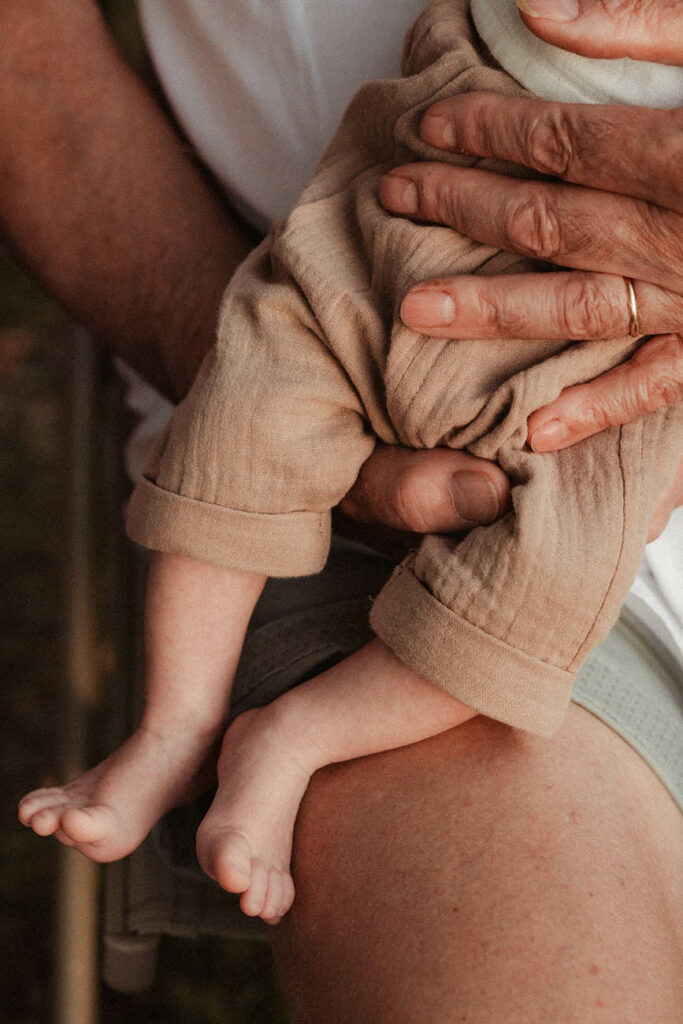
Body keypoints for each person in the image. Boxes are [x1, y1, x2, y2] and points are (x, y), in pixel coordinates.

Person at [5, 0, 681, 1017]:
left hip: (603, 403)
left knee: (548, 572)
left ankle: (296, 734)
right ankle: (177, 728)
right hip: (386, 256)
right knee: (250, 408)